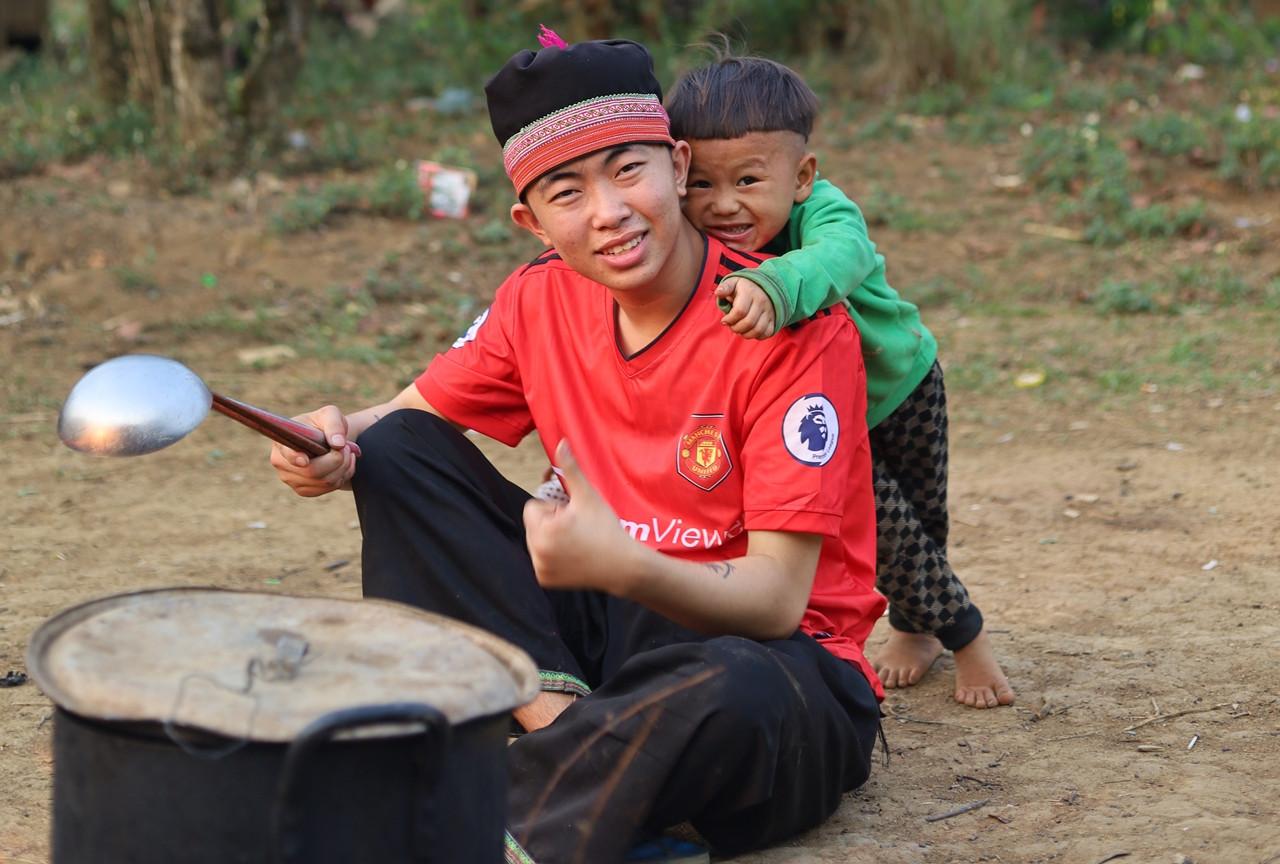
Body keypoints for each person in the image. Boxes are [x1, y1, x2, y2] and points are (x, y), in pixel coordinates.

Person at [271, 33, 886, 864]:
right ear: (532, 219)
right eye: (568, 191)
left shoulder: (790, 328)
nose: (609, 212)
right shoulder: (538, 299)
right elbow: (406, 416)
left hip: (776, 660)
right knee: (398, 452)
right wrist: (330, 439)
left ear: (675, 163)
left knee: (738, 692)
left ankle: (502, 808)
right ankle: (575, 745)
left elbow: (779, 601)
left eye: (628, 171)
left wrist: (621, 561)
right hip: (602, 641)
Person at [662, 54, 1015, 710]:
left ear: (802, 176)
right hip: (823, 413)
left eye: (746, 179)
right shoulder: (691, 232)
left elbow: (840, 258)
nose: (723, 204)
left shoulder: (825, 215)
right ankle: (967, 635)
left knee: (922, 517)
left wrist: (774, 283)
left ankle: (922, 630)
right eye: (702, 184)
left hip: (902, 386)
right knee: (887, 530)